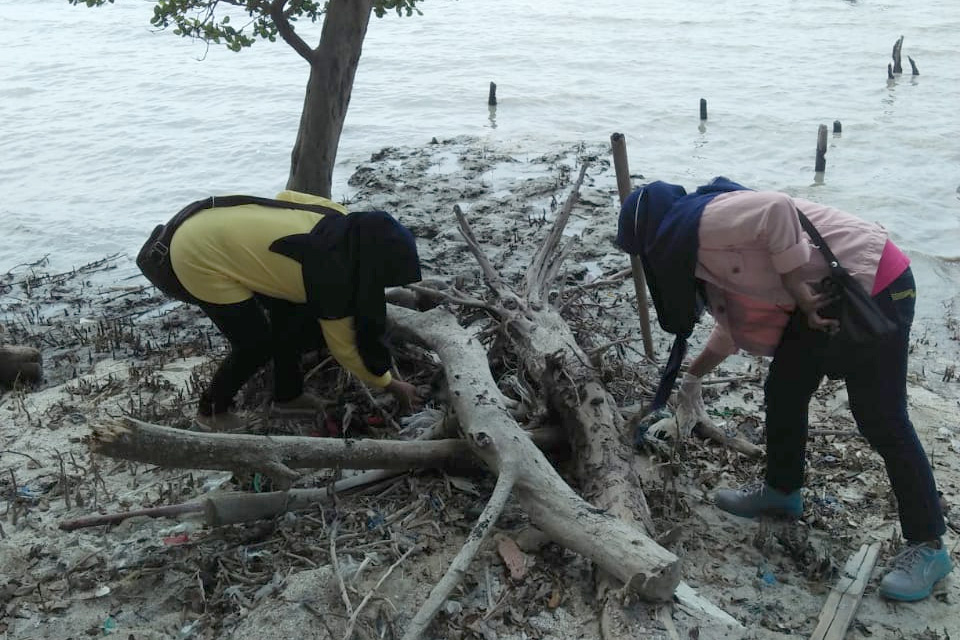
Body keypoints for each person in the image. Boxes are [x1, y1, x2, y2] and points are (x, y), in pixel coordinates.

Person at [616, 177, 953, 602]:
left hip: (875, 284)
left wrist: (795, 284)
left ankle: (929, 545)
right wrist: (691, 377)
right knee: (785, 389)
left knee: (880, 416)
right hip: (823, 296)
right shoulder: (699, 253)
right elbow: (730, 327)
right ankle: (782, 491)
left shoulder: (704, 219)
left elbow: (776, 207)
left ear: (653, 237)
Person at [153, 189, 422, 432]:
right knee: (254, 345)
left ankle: (288, 396)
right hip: (196, 254)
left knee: (294, 314)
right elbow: (345, 349)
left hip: (211, 219)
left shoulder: (339, 216)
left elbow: (287, 197)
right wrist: (393, 386)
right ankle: (210, 412)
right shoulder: (332, 278)